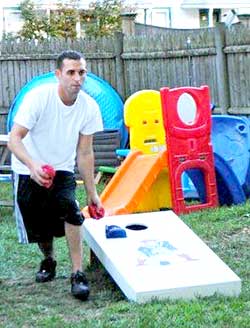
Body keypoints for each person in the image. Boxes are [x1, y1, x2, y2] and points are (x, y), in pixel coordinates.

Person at [8, 50, 103, 301]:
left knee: (70, 210)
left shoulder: (90, 107)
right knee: (40, 225)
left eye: (81, 72)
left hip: (61, 168)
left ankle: (77, 274)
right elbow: (14, 139)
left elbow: (84, 152)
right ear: (58, 75)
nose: (77, 78)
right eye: (71, 72)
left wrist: (92, 193)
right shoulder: (38, 98)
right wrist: (32, 165)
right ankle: (49, 259)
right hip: (27, 168)